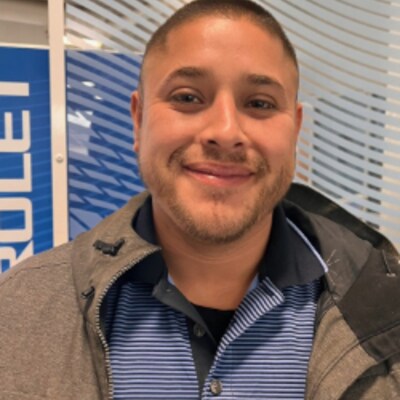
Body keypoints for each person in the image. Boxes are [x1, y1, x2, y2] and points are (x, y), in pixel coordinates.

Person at [1, 0, 399, 399]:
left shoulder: (386, 312)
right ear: (139, 120)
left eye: (259, 103)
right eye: (188, 98)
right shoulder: (20, 309)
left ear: (294, 131)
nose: (225, 132)